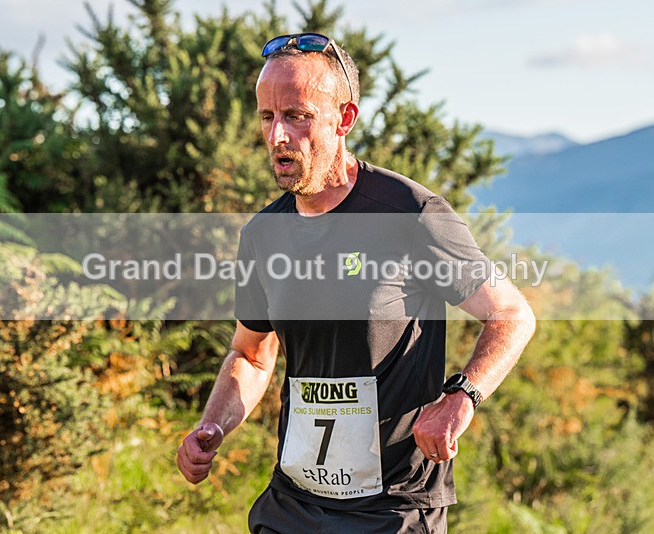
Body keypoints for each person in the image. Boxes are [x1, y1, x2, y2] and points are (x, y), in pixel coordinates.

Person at [177, 33, 536, 533]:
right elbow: (252, 354)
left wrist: (460, 397)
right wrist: (213, 425)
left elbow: (511, 314)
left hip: (392, 510)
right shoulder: (264, 233)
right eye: (267, 117)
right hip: (294, 504)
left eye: (297, 115)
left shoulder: (409, 213)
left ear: (344, 118)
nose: (278, 135)